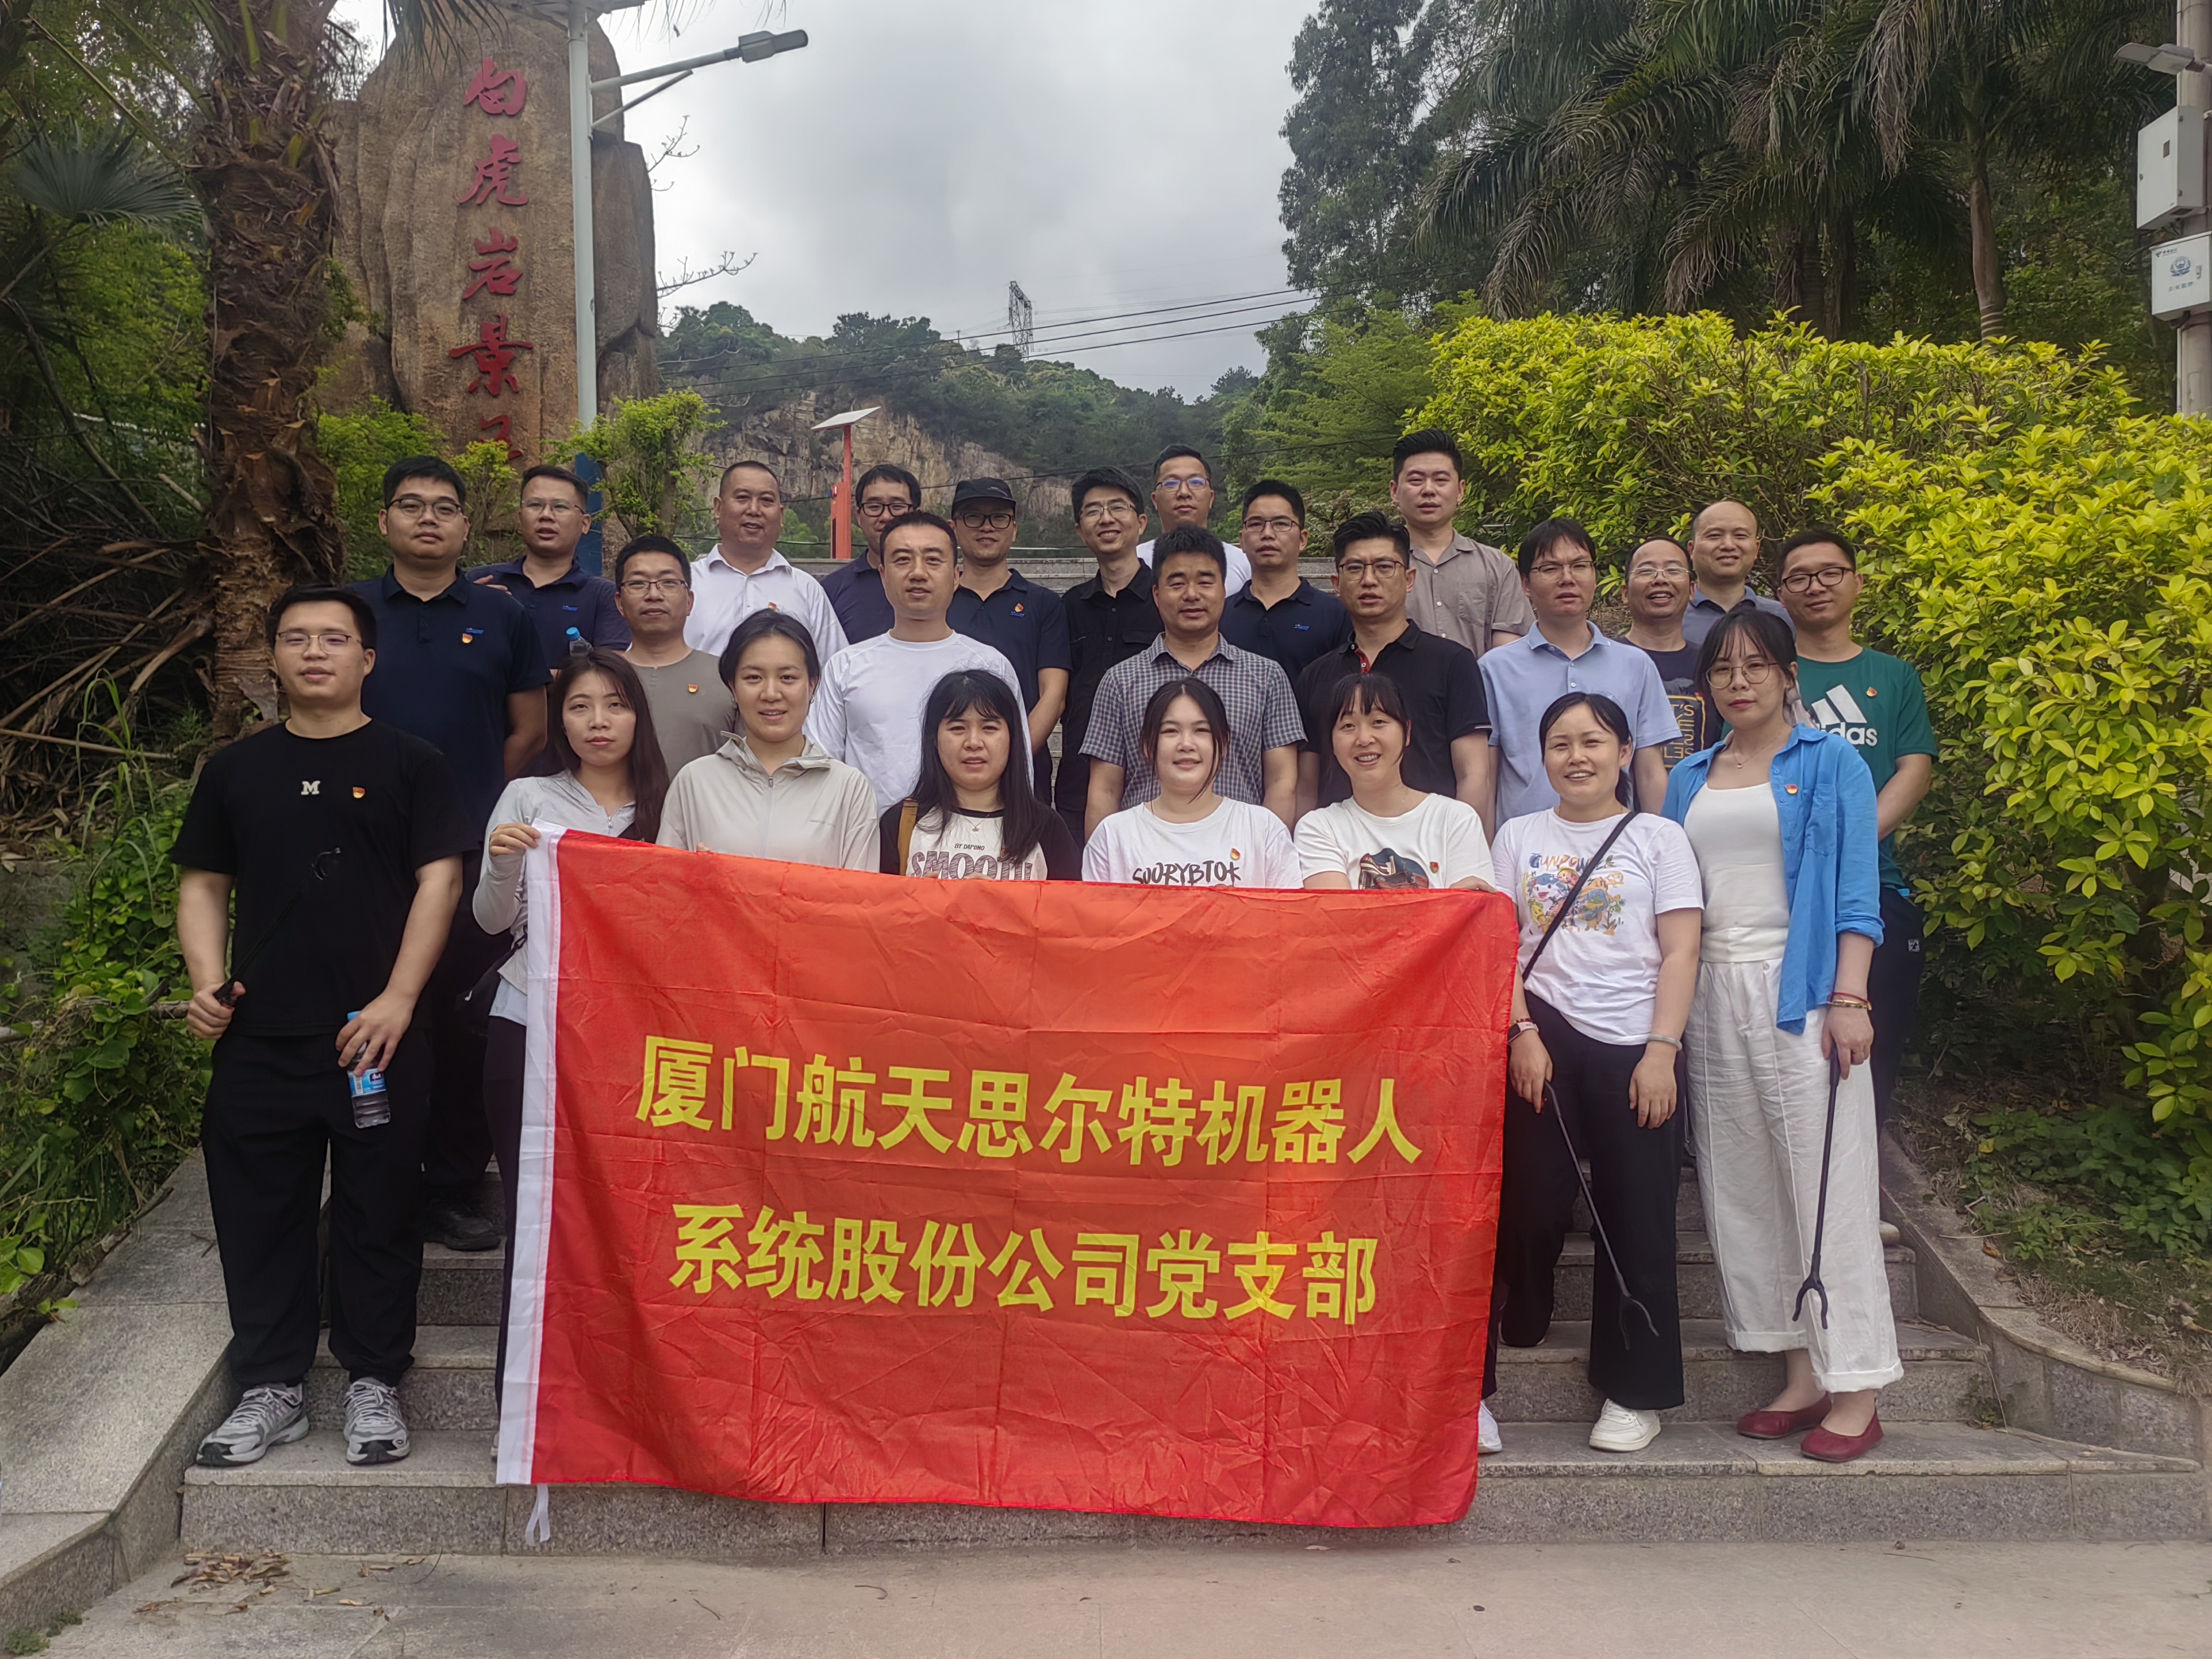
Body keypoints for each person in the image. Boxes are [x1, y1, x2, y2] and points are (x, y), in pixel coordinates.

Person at [176, 584, 471, 1470]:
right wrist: (206, 983)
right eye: (297, 638)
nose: (315, 652)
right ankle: (272, 1386)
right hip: (260, 1034)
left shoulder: (412, 763)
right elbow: (203, 884)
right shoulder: (236, 770)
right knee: (258, 1213)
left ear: (367, 659)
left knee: (380, 1211)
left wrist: (399, 998)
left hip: (376, 1036)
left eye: (334, 639)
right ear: (272, 656)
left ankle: (374, 1380)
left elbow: (441, 881)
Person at [1663, 608, 1898, 1463]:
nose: (1738, 682)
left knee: (1827, 1186)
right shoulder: (1688, 777)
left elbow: (1856, 888)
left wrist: (1851, 996)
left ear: (1787, 675)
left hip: (1803, 990)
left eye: (1755, 666)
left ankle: (1857, 1386)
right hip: (1711, 993)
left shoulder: (1831, 761)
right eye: (1722, 669)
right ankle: (1800, 1374)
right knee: (1744, 1189)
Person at [1488, 692, 1702, 1455]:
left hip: (1634, 1040)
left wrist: (1661, 1051)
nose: (1576, 757)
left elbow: (1681, 950)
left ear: (1624, 753)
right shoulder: (1517, 835)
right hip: (1541, 1030)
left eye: (1593, 741)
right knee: (1528, 1201)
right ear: (1541, 756)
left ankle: (1634, 1390)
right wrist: (1520, 1031)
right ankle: (1527, 1300)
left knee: (1638, 1216)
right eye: (1560, 743)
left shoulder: (1659, 838)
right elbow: (1498, 944)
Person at [349, 456, 549, 1252]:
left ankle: (456, 1183)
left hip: (470, 851)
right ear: (384, 522)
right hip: (366, 853)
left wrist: (463, 803)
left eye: (443, 507)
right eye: (410, 505)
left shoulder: (503, 616)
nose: (427, 519)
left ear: (467, 527)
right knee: (372, 1011)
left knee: (464, 1020)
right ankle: (377, 1177)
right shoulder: (351, 612)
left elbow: (529, 730)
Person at [473, 649, 669, 1407]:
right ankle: (525, 1406)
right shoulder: (528, 797)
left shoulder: (670, 804)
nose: (598, 722)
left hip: (631, 1040)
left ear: (638, 716)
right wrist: (502, 864)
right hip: (529, 1022)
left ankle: (616, 1400)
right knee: (535, 1212)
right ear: (560, 720)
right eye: (580, 707)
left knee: (628, 1217)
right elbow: (491, 921)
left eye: (615, 705)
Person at [1778, 528, 1936, 1120]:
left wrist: (1848, 846)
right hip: (1784, 891)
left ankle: (1859, 1176)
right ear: (1780, 593)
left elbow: (1914, 771)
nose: (1816, 587)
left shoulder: (1893, 677)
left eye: (1830, 573)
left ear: (1858, 582)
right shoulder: (1769, 674)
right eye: (1800, 577)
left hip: (1875, 885)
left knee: (1871, 1057)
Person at [1082, 527, 1304, 835]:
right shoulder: (1120, 681)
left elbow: (1282, 782)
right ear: (1157, 595)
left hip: (1239, 856)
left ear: (1223, 591)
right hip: (1146, 857)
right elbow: (1104, 790)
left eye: (1205, 582)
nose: (1192, 595)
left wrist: (1267, 852)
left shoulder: (1267, 678)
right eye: (1177, 583)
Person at [808, 511, 1024, 811]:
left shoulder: (990, 666)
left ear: (956, 576)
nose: (918, 573)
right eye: (903, 560)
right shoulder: (845, 667)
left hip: (969, 837)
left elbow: (1017, 772)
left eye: (933, 560)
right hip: (868, 834)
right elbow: (821, 767)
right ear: (883, 576)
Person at [1478, 517, 1678, 829]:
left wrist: (1662, 844)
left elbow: (1650, 772)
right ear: (1526, 584)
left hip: (1615, 845)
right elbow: (1486, 777)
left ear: (1595, 577)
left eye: (1580, 566)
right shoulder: (1495, 669)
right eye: (1550, 568)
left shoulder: (1635, 665)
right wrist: (1487, 852)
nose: (1567, 578)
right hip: (1526, 847)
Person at [1294, 512, 1492, 826]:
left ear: (1409, 579)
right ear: (1337, 584)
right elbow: (1306, 787)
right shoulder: (1316, 676)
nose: (1369, 580)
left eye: (1384, 567)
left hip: (1430, 844)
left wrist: (1462, 847)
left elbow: (1474, 775)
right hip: (1338, 846)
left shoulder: (1452, 663)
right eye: (1355, 568)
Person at [660, 610, 879, 867]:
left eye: (788, 678)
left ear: (812, 685)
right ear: (733, 687)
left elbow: (859, 890)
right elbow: (665, 882)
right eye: (754, 678)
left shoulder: (849, 789)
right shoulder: (695, 782)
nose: (771, 694)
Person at [1083, 678, 1301, 888]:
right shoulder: (1113, 836)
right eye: (1170, 731)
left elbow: (1288, 911)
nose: (1186, 744)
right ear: (1148, 745)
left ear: (1224, 744)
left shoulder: (1264, 829)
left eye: (1201, 730)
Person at [1294, 673, 1495, 891]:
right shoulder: (1318, 828)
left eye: (1378, 722)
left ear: (1407, 732)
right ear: (1332, 743)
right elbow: (1337, 911)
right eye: (1348, 726)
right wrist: (1448, 899)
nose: (1364, 739)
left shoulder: (1456, 819)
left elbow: (1474, 910)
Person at [880, 670, 1080, 880]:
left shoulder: (1046, 829)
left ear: (1013, 738)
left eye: (989, 728)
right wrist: (915, 900)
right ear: (934, 739)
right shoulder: (902, 823)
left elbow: (1069, 902)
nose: (973, 742)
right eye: (958, 728)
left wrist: (1002, 901)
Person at [948, 476, 1070, 803]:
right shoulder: (938, 603)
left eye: (999, 517)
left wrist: (1011, 757)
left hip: (1023, 780)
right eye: (974, 516)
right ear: (954, 528)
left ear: (1014, 530)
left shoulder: (1043, 604)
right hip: (945, 777)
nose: (987, 526)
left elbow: (1054, 696)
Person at [1057, 466, 1162, 841]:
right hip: (1079, 788)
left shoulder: (1168, 601)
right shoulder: (1069, 607)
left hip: (1155, 787)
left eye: (1117, 507)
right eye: (1093, 511)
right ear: (1080, 529)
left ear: (1141, 522)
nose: (1106, 519)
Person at [1388, 428, 1533, 659]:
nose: (1428, 490)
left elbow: (1509, 658)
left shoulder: (1497, 567)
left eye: (1441, 480)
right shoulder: (1380, 567)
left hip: (1479, 684)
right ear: (1395, 491)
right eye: (1416, 480)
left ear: (1460, 491)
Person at [684, 460, 849, 660]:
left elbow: (835, 669)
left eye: (766, 500)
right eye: (742, 498)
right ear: (718, 509)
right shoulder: (685, 583)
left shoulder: (807, 590)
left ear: (781, 515)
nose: (754, 510)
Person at [470, 465, 628, 667]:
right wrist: (464, 614)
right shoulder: (480, 583)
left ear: (585, 524)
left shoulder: (604, 597)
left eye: (560, 507)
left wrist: (517, 680)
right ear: (520, 518)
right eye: (535, 505)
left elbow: (608, 676)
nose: (546, 515)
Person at [615, 534, 737, 774]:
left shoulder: (727, 678)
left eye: (669, 582)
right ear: (620, 603)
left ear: (689, 601)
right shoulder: (601, 678)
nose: (654, 595)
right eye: (638, 583)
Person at [1219, 479, 1350, 681]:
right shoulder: (1219, 615)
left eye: (1281, 524)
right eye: (1256, 524)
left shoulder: (1336, 615)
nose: (1267, 534)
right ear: (1242, 540)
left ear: (1303, 539)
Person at [1622, 535, 1719, 766]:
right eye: (1646, 571)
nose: (1660, 579)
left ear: (1692, 590)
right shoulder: (1604, 661)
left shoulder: (1715, 665)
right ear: (1625, 593)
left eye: (1673, 570)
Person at [819, 462, 919, 644]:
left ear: (917, 514)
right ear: (859, 516)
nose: (886, 517)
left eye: (897, 506)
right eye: (874, 507)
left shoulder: (942, 586)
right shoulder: (830, 591)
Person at [1135, 446, 1251, 592]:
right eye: (1171, 484)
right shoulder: (1135, 563)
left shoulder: (1244, 565)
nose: (1184, 493)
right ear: (1155, 501)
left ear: (1211, 498)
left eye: (1196, 482)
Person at [1680, 499, 1793, 646]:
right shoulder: (1670, 620)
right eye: (1714, 535)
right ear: (1692, 549)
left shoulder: (1786, 619)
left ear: (1757, 549)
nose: (1728, 545)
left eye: (1740, 536)